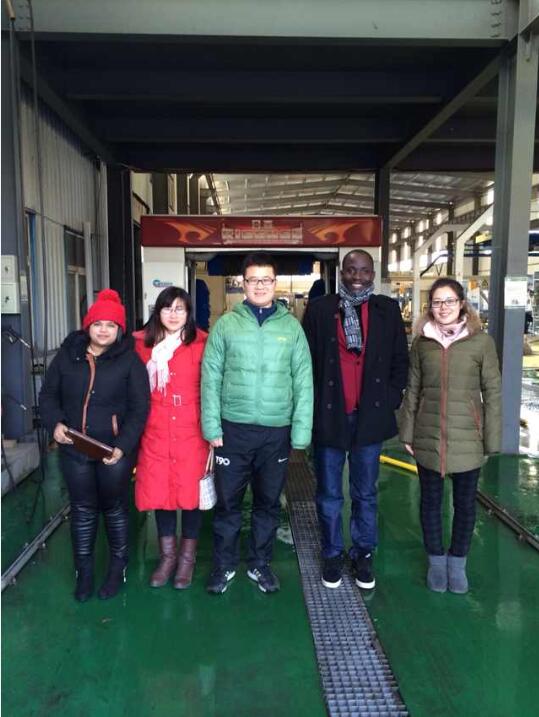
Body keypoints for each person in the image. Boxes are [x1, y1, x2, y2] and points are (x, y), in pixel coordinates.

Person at [201, 252, 313, 595]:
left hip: (275, 432)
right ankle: (224, 564)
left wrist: (301, 432)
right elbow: (210, 377)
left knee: (267, 502)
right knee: (228, 503)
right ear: (243, 283)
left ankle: (260, 564)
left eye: (266, 280)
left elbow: (303, 381)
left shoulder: (291, 328)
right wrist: (211, 427)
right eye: (253, 280)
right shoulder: (226, 325)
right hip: (232, 430)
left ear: (274, 283)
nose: (260, 286)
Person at [303, 250, 408, 591]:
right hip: (330, 416)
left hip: (369, 418)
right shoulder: (320, 310)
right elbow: (306, 363)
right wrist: (311, 408)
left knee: (365, 493)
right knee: (329, 493)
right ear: (341, 272)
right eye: (351, 270)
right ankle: (332, 553)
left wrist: (390, 400)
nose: (357, 276)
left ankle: (363, 552)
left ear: (372, 273)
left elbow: (400, 359)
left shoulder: (387, 310)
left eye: (363, 270)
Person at [39, 289, 150, 602]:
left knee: (114, 508)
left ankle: (117, 568)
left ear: (119, 330)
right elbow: (48, 396)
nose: (103, 330)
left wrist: (123, 446)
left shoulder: (129, 361)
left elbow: (140, 408)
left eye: (111, 325)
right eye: (98, 324)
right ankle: (84, 572)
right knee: (83, 509)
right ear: (88, 325)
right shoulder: (68, 356)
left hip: (113, 452)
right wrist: (56, 424)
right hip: (75, 447)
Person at [399, 278, 501, 594]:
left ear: (461, 304)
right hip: (428, 434)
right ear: (430, 306)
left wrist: (491, 439)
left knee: (465, 505)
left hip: (468, 436)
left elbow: (493, 392)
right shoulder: (422, 343)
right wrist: (407, 432)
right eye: (437, 302)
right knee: (430, 503)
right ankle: (436, 563)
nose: (443, 307)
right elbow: (412, 389)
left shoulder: (481, 342)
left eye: (449, 301)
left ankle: (457, 564)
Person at [134, 287, 209, 589]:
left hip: (192, 429)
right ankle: (167, 557)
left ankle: (187, 559)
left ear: (189, 313)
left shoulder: (202, 342)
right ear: (158, 311)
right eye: (167, 308)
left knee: (191, 496)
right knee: (161, 493)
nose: (174, 314)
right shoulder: (140, 344)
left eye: (180, 308)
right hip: (155, 428)